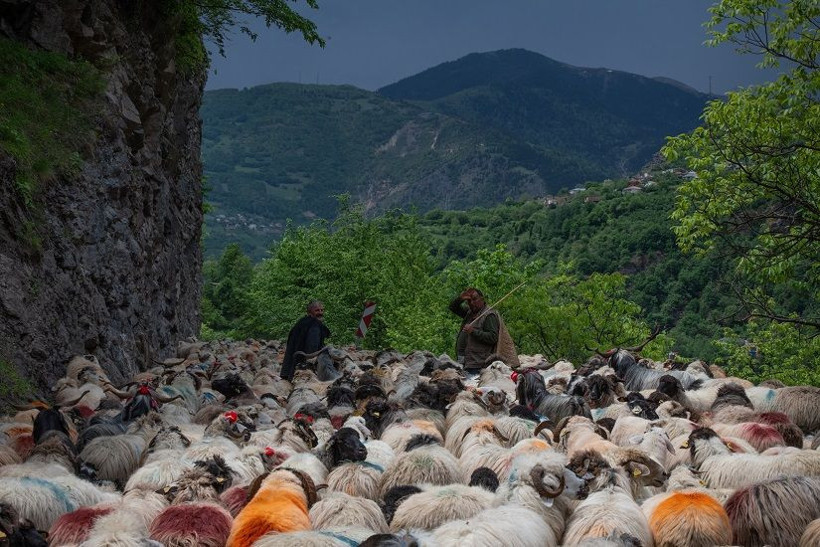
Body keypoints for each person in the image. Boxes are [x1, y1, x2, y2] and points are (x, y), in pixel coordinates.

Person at [449, 288, 519, 374]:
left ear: (482, 298)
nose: (472, 303)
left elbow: (493, 337)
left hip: (479, 364)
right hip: (465, 362)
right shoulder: (469, 313)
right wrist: (460, 298)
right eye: (469, 301)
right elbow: (453, 307)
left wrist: (473, 331)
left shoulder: (489, 315)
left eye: (475, 299)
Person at [280, 300, 331, 381]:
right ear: (310, 312)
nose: (320, 312)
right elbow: (312, 347)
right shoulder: (314, 325)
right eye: (317, 310)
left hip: (290, 369)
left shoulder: (301, 323)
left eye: (322, 310)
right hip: (304, 370)